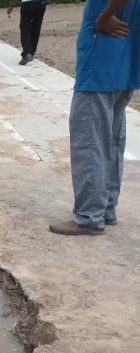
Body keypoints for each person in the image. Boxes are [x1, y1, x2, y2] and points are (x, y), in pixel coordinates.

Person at [50, 0, 139, 235]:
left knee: (89, 140)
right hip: (123, 55)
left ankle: (90, 215)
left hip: (102, 55)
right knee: (112, 139)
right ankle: (106, 208)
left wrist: (105, 15)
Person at [7, 0, 47, 65]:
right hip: (40, 4)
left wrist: (11, 7)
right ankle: (31, 53)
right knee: (36, 28)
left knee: (25, 28)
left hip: (27, 4)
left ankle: (27, 53)